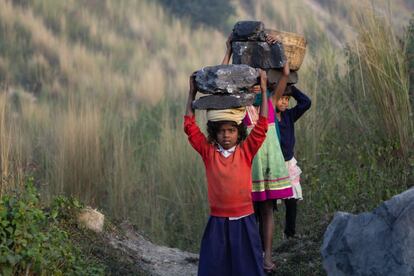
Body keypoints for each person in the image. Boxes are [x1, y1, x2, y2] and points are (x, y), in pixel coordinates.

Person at [184, 70, 269, 276]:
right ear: (214, 133)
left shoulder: (246, 152)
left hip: (244, 220)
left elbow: (262, 125)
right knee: (214, 269)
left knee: (248, 269)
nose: (226, 135)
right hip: (218, 222)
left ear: (239, 132)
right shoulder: (208, 153)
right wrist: (191, 94)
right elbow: (189, 127)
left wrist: (264, 91)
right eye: (221, 131)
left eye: (231, 130)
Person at [222, 34, 293, 273]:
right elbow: (222, 81)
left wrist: (278, 46)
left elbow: (284, 72)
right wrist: (229, 49)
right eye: (250, 79)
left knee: (267, 211)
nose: (254, 82)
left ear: (264, 80)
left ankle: (267, 257)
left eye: (259, 77)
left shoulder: (271, 102)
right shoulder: (238, 107)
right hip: (248, 165)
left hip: (270, 165)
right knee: (248, 213)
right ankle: (251, 256)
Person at [275, 84, 311, 239]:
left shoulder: (289, 115)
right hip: (274, 165)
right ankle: (263, 241)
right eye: (280, 98)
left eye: (287, 99)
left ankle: (290, 234)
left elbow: (306, 103)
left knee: (292, 200)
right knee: (269, 204)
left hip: (288, 164)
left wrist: (290, 86)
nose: (284, 102)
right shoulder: (268, 118)